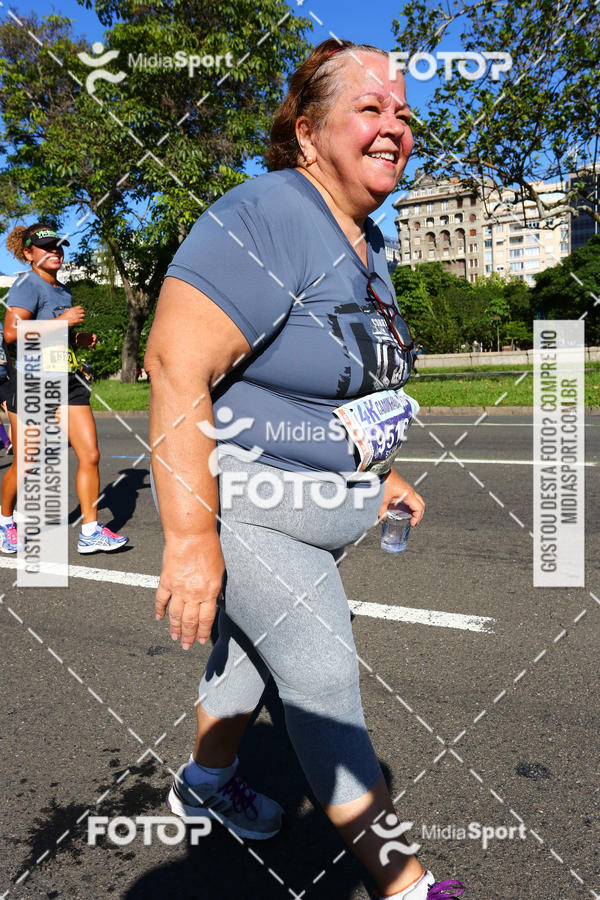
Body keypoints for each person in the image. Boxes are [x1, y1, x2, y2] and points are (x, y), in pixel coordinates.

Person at [145, 40, 465, 900]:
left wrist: (379, 473)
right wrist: (189, 540)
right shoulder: (269, 214)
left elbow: (346, 385)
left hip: (328, 512)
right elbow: (176, 360)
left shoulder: (367, 242)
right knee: (322, 682)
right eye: (370, 108)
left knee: (247, 669)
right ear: (309, 130)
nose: (395, 125)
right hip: (253, 510)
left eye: (402, 112)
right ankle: (408, 884)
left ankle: (207, 784)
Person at [1, 223, 129, 554]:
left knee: (90, 454)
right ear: (29, 254)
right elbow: (13, 334)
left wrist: (78, 340)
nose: (55, 251)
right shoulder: (27, 285)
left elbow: (52, 334)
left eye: (59, 246)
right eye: (46, 247)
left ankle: (89, 531)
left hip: (66, 379)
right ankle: (5, 521)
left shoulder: (63, 291)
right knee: (27, 461)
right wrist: (64, 322)